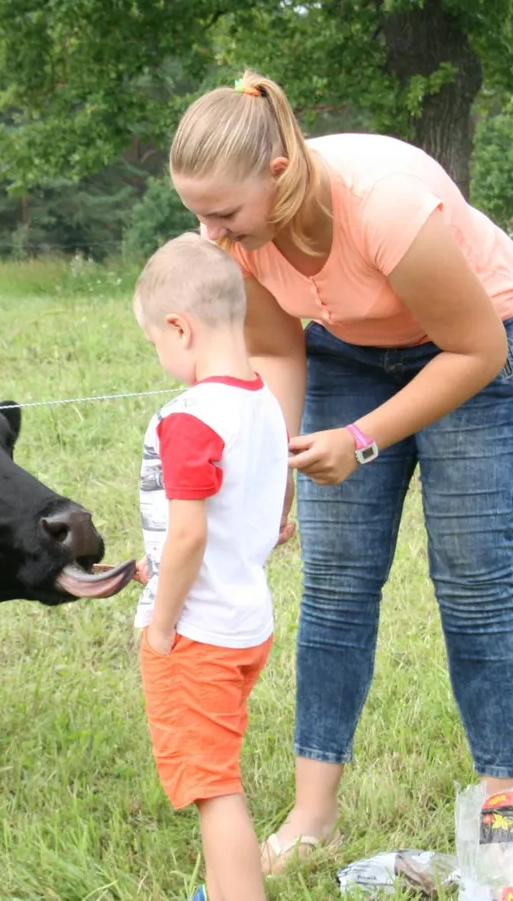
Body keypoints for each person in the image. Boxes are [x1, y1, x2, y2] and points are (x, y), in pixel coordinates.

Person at [164, 69, 513, 881]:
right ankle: (313, 817)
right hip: (349, 353)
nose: (208, 231)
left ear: (278, 174)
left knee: (476, 587)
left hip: (477, 351)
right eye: (195, 211)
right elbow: (276, 348)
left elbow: (475, 351)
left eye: (223, 211)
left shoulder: (384, 205)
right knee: (336, 586)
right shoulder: (235, 240)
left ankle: (506, 828)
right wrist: (275, 476)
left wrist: (364, 440)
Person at [132, 233, 289, 901]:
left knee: (213, 787)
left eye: (155, 342)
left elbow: (192, 534)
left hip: (198, 632)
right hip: (246, 619)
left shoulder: (190, 418)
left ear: (180, 328)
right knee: (215, 770)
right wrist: (157, 561)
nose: (160, 356)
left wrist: (163, 621)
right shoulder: (264, 402)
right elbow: (263, 518)